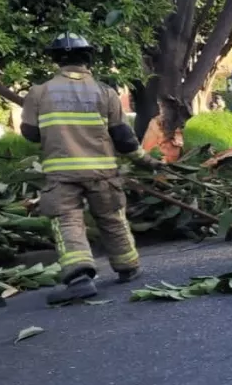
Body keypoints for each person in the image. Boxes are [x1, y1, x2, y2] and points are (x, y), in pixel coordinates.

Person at [21, 34, 155, 304]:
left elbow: (30, 134)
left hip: (62, 175)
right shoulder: (105, 92)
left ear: (56, 59)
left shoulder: (39, 92)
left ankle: (80, 278)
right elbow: (123, 137)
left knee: (68, 221)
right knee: (112, 217)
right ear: (87, 58)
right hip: (102, 171)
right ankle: (128, 266)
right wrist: (147, 161)